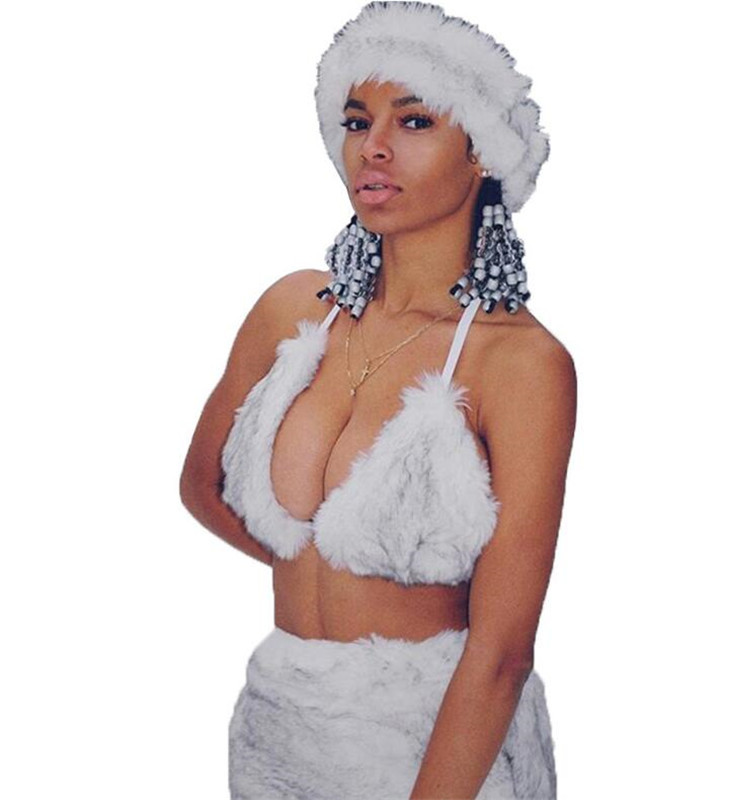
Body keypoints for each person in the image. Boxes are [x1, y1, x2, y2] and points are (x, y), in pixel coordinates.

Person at [179, 2, 577, 798]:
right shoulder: (294, 311)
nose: (375, 147)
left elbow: (502, 654)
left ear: (481, 153)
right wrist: (324, 574)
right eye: (358, 121)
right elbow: (202, 485)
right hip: (280, 729)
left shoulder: (519, 363)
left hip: (437, 744)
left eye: (416, 120)